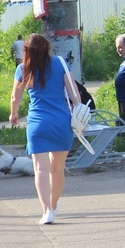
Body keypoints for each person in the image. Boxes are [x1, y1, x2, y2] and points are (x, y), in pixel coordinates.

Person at [9, 33, 82, 225]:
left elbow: (15, 98)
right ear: (48, 47)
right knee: (57, 169)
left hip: (37, 123)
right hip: (61, 121)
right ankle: (54, 205)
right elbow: (75, 95)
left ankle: (46, 211)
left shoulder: (23, 68)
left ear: (26, 51)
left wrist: (13, 114)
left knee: (40, 169)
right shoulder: (60, 63)